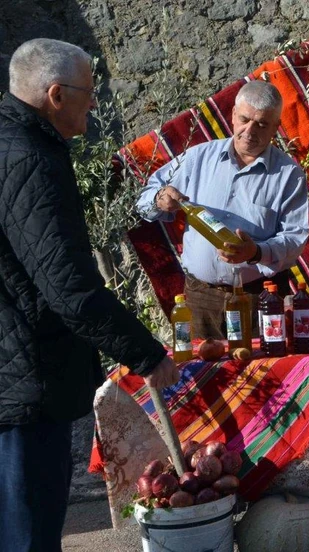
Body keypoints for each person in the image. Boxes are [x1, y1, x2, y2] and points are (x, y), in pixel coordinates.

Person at [0, 39, 179, 551]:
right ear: (55, 95)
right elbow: (69, 286)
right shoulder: (30, 160)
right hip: (26, 378)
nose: (96, 103)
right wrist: (144, 352)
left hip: (12, 369)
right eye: (88, 91)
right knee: (26, 534)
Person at [137, 80, 309, 339]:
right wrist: (159, 199)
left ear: (275, 127)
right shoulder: (198, 158)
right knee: (196, 373)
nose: (249, 130)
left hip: (258, 299)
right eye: (244, 119)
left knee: (266, 376)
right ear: (232, 115)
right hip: (198, 299)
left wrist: (255, 252)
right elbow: (144, 199)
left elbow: (295, 240)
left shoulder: (289, 175)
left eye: (262, 124)